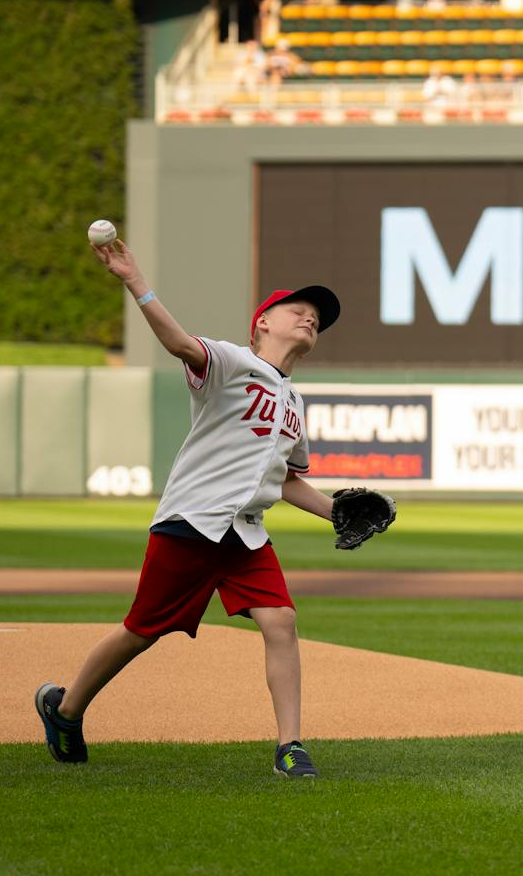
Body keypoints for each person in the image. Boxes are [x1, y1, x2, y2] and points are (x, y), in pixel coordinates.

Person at [35, 241, 378, 780]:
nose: (311, 317)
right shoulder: (232, 363)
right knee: (141, 630)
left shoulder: (294, 402)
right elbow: (177, 342)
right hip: (191, 523)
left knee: (282, 622)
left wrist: (334, 510)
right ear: (261, 324)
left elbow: (285, 481)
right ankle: (66, 708)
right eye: (298, 309)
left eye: (318, 317)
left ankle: (290, 747)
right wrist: (134, 279)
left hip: (245, 536)